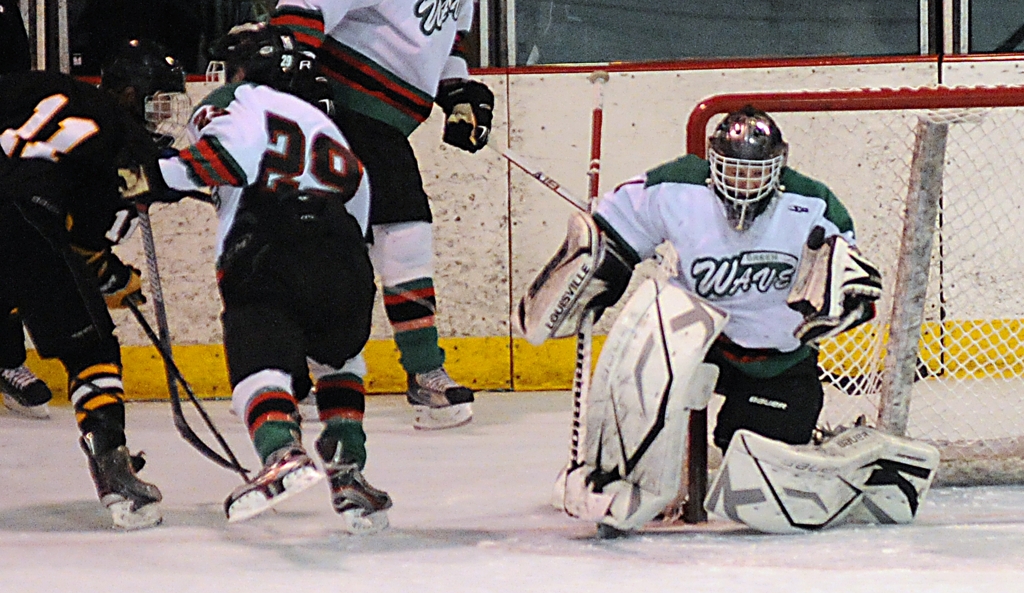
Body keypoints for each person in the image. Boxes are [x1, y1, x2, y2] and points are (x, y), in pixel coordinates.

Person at [517, 106, 884, 532]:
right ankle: (618, 476)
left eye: (757, 172)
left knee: (758, 472)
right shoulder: (677, 186)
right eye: (734, 171)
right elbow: (611, 235)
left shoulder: (812, 202)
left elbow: (845, 276)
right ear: (713, 163)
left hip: (775, 357)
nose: (744, 184)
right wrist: (596, 273)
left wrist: (840, 302)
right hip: (691, 341)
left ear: (779, 166)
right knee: (640, 382)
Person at [156, 23, 392, 532]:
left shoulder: (237, 98)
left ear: (241, 70)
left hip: (270, 240)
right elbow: (361, 200)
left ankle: (282, 451)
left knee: (256, 349)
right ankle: (349, 470)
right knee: (339, 355)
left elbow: (227, 159)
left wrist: (155, 176)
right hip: (344, 249)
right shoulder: (322, 122)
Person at [267, 0, 495, 429]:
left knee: (339, 250)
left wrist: (457, 92)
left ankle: (301, 372)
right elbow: (301, 8)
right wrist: (296, 69)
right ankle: (422, 368)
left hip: (385, 122)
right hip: (341, 108)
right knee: (403, 232)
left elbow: (447, 41)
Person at [0, 39, 189, 529]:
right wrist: (116, 278)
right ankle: (114, 471)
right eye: (156, 99)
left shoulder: (41, 85)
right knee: (93, 352)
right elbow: (83, 243)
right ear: (128, 93)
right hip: (27, 225)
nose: (161, 114)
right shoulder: (126, 140)